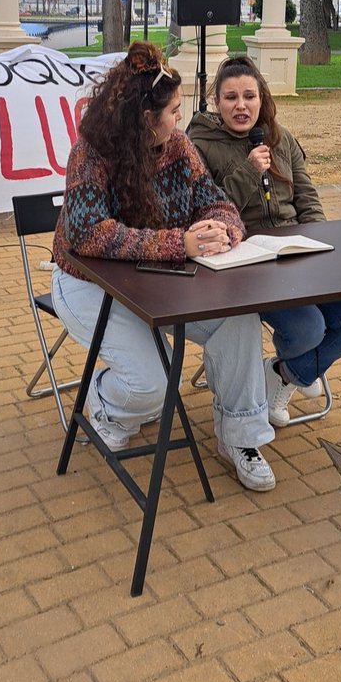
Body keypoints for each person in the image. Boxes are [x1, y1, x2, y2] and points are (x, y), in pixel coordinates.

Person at [51, 41, 276, 492]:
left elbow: (212, 197)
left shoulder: (177, 145)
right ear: (144, 118)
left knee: (239, 314)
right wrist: (181, 243)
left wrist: (223, 229)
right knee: (152, 387)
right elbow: (88, 234)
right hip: (86, 283)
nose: (179, 119)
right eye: (172, 111)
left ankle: (241, 439)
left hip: (158, 281)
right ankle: (102, 400)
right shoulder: (91, 153)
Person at [188, 55, 341, 428]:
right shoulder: (200, 143)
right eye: (230, 98)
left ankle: (284, 374)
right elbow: (204, 214)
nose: (241, 106)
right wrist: (248, 172)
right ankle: (296, 368)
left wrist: (319, 244)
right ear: (216, 101)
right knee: (308, 329)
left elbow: (307, 198)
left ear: (262, 98)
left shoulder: (279, 136)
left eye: (249, 96)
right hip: (247, 262)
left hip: (297, 252)